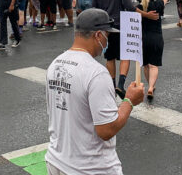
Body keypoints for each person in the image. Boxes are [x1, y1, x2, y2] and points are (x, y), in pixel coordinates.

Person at [45, 9, 144, 175]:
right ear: (98, 35)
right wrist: (129, 101)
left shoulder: (55, 64)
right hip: (90, 168)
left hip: (57, 161)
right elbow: (106, 130)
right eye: (107, 35)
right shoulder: (96, 73)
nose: (107, 42)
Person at [92, 0, 158, 98]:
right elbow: (130, 7)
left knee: (110, 58)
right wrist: (145, 15)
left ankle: (112, 83)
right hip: (121, 26)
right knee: (124, 56)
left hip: (105, 28)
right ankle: (120, 84)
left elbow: (94, 10)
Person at [136, 0, 167, 99]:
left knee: (146, 65)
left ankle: (149, 85)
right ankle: (150, 87)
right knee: (154, 65)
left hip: (143, 38)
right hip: (156, 37)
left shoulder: (138, 7)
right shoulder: (157, 4)